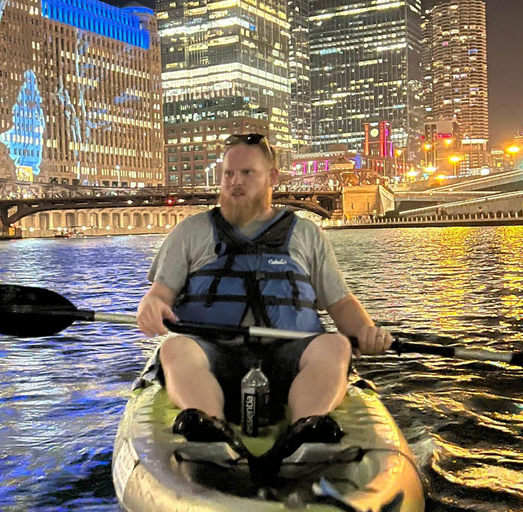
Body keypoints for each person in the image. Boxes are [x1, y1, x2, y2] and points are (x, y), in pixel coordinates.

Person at [136, 133, 393, 472]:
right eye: (228, 174)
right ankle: (209, 430)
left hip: (289, 362)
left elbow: (341, 303)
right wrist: (151, 305)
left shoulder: (307, 235)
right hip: (214, 358)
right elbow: (158, 296)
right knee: (174, 348)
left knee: (333, 345)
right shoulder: (190, 232)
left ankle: (308, 428)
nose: (234, 183)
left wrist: (367, 331)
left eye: (247, 173)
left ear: (272, 177)